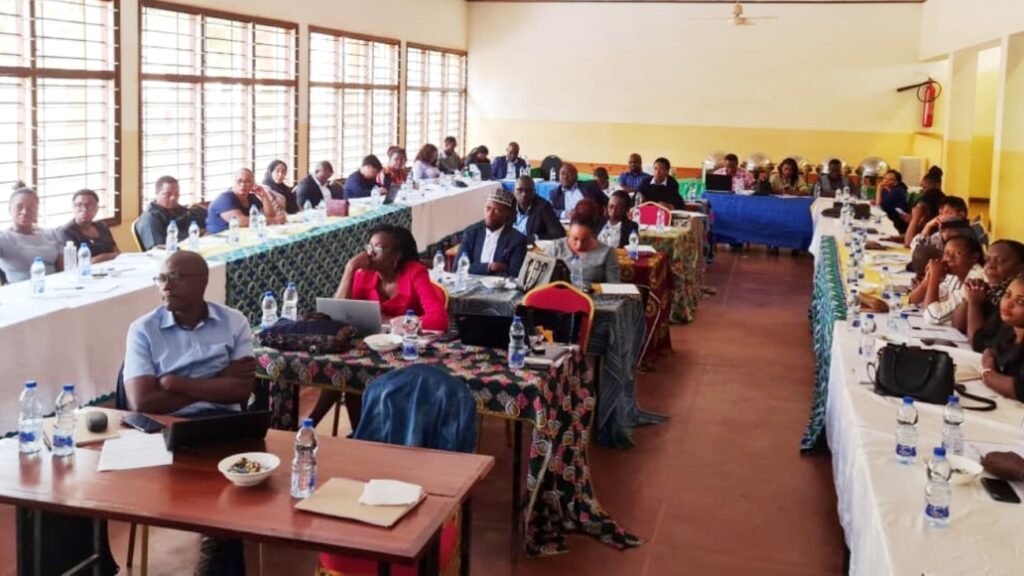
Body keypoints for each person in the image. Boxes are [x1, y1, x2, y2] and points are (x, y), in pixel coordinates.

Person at [123, 251, 254, 576]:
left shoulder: (233, 321)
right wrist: (216, 379)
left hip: (221, 421)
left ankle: (216, 559)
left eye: (175, 279)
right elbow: (143, 402)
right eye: (161, 278)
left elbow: (239, 391)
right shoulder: (143, 329)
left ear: (202, 283)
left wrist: (175, 382)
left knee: (230, 490)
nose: (165, 287)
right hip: (162, 428)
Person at [307, 225, 451, 427]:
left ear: (397, 255)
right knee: (344, 368)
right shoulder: (363, 274)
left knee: (349, 373)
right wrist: (350, 269)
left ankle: (316, 424)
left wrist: (394, 321)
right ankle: (358, 431)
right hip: (372, 347)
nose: (369, 253)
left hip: (407, 352)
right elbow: (336, 313)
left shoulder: (414, 272)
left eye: (378, 248)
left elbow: (439, 319)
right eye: (369, 246)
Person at [908, 235, 986, 325]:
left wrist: (934, 277)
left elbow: (933, 316)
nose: (949, 259)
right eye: (946, 254)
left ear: (974, 257)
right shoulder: (955, 274)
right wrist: (928, 279)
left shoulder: (976, 279)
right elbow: (914, 300)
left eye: (957, 254)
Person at [961, 240, 1024, 350]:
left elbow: (979, 343)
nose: (991, 265)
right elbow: (958, 325)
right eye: (987, 260)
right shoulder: (992, 290)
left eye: (1000, 261)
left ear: (1021, 268)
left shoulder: (1009, 297)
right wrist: (970, 295)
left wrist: (974, 303)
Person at [456, 188, 527, 277]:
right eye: (488, 208)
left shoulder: (517, 239)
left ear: (507, 213)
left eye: (496, 210)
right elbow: (458, 268)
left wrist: (474, 268)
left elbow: (515, 274)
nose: (489, 214)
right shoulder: (471, 233)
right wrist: (489, 267)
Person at [547, 201, 621, 284]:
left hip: (592, 295)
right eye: (575, 239)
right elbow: (544, 281)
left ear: (592, 235)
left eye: (585, 240)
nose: (579, 245)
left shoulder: (607, 252)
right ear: (569, 232)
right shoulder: (556, 248)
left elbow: (614, 285)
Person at [0, 185, 62, 282]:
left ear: (37, 210)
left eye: (30, 208)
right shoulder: (4, 239)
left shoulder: (51, 234)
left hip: (55, 288)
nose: (24, 212)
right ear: (9, 209)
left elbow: (63, 269)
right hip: (20, 292)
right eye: (19, 207)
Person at [979, 272, 1024, 402]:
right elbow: (988, 351)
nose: (1008, 303)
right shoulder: (1008, 329)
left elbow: (1018, 389)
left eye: (1021, 301)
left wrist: (988, 373)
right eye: (1007, 294)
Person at [136, 176, 207, 250]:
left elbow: (197, 228)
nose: (173, 198)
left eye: (176, 194)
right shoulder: (150, 218)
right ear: (157, 193)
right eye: (168, 194)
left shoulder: (178, 209)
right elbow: (158, 249)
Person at [206, 168, 286, 234]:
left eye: (248, 182)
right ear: (233, 182)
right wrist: (275, 220)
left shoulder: (251, 197)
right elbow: (240, 221)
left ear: (253, 184)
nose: (243, 184)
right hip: (219, 238)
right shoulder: (225, 198)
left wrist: (264, 196)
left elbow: (271, 216)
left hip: (243, 236)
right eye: (239, 181)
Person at [59, 189, 120, 264]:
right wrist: (109, 256)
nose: (84, 209)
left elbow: (117, 252)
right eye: (79, 205)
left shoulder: (102, 226)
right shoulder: (67, 232)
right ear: (73, 208)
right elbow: (80, 263)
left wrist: (110, 257)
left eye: (89, 205)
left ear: (97, 208)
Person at [511, 175, 564, 243]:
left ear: (534, 192)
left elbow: (558, 234)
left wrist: (535, 237)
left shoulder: (543, 207)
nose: (524, 194)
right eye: (519, 190)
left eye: (529, 190)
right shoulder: (509, 204)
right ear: (513, 192)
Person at [874, 169, 909, 234]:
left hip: (897, 222)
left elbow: (879, 207)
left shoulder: (898, 191)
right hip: (889, 218)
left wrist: (879, 187)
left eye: (890, 179)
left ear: (896, 182)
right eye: (885, 178)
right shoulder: (887, 190)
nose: (886, 181)